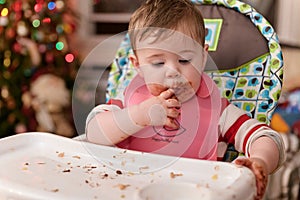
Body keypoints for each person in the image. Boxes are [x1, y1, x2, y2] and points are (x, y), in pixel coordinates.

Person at [85, 0, 285, 199]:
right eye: (157, 62)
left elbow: (267, 138)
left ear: (203, 57)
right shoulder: (129, 101)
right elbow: (94, 133)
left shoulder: (217, 110)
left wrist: (260, 161)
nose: (172, 72)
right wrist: (139, 115)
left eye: (184, 60)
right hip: (126, 190)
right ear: (137, 65)